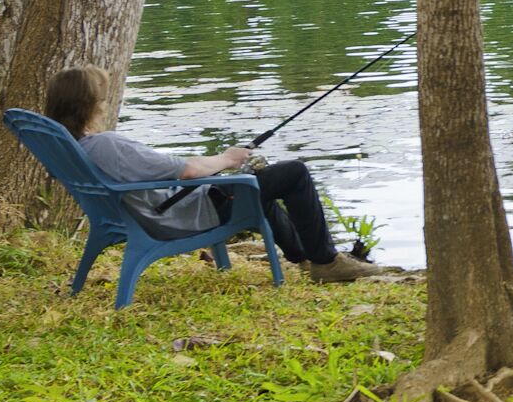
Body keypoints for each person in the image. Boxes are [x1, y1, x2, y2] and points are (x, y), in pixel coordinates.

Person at [42, 66, 381, 284]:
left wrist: (223, 162)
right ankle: (324, 261)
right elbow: (186, 170)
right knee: (293, 172)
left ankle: (303, 257)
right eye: (102, 96)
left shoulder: (75, 147)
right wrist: (226, 158)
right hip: (181, 216)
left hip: (155, 212)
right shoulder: (108, 146)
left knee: (254, 187)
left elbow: (171, 167)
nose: (106, 100)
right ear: (91, 105)